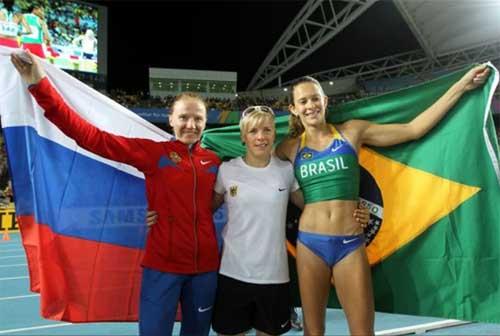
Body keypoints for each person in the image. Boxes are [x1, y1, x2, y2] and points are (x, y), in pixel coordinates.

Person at [11, 50, 221, 336]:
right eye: (184, 117)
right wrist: (39, 85)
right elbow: (91, 137)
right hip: (163, 267)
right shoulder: (153, 153)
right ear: (170, 119)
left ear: (206, 122)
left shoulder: (214, 161)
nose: (191, 124)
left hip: (205, 270)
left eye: (198, 119)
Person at [275, 65, 490, 335]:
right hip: (309, 245)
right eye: (303, 101)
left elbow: (413, 130)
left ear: (325, 101)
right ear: (294, 109)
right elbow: (265, 174)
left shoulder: (352, 132)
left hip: (349, 244)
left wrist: (461, 86)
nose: (310, 106)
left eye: (315, 98)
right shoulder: (289, 147)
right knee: (313, 331)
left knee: (363, 332)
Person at [147, 106, 369, 335]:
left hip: (275, 277)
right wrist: (162, 215)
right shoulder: (226, 170)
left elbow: (316, 204)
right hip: (232, 275)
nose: (260, 137)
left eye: (267, 130)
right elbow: (200, 211)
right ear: (244, 137)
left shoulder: (286, 170)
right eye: (253, 131)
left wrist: (356, 209)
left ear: (274, 134)